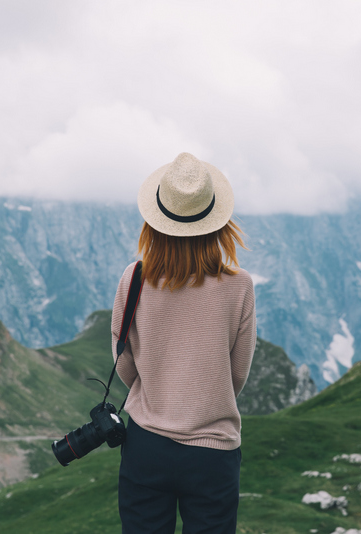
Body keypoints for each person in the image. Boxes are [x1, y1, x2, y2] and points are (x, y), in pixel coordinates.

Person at [111, 152, 257, 534]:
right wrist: (204, 397)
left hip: (147, 445)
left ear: (155, 220)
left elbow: (123, 358)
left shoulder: (135, 277)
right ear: (217, 222)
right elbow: (237, 372)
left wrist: (160, 392)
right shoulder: (239, 285)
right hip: (213, 452)